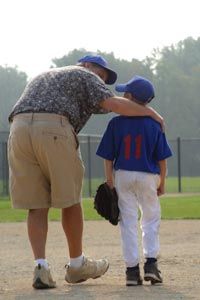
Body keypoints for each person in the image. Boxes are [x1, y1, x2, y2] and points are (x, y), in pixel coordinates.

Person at [8, 55, 164, 289]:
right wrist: (152, 113)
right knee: (70, 200)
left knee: (36, 204)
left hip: (18, 130)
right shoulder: (84, 75)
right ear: (87, 66)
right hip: (52, 128)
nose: (101, 81)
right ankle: (77, 263)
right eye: (101, 74)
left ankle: (41, 267)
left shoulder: (47, 75)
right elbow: (117, 105)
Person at [96, 75, 172, 286]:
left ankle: (131, 272)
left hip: (123, 175)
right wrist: (162, 182)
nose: (121, 96)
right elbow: (162, 159)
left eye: (125, 93)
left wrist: (109, 180)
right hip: (148, 176)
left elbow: (108, 157)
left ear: (129, 97)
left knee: (127, 222)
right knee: (150, 219)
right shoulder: (155, 124)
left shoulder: (116, 123)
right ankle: (151, 265)